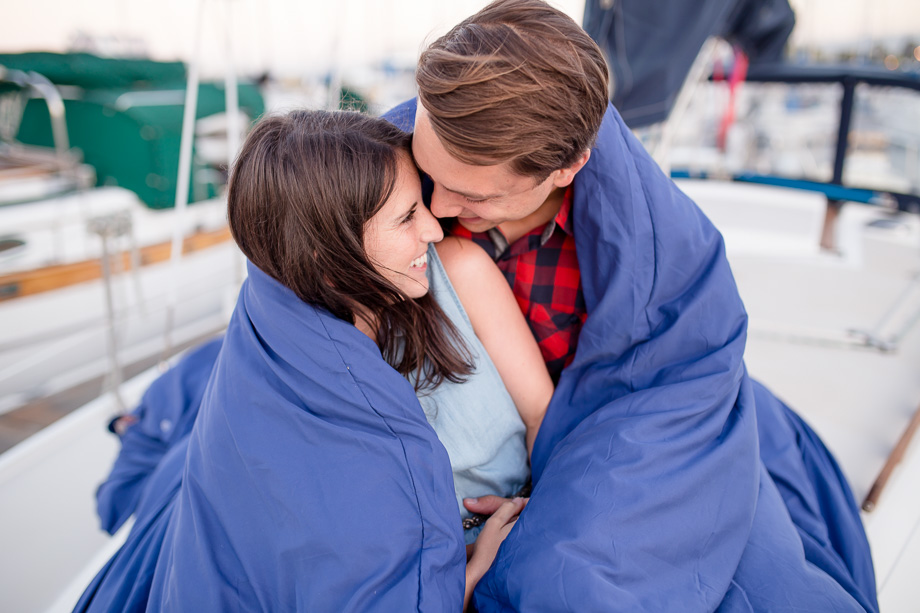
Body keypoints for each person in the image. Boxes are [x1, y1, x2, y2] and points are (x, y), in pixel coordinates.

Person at [383, 0, 879, 611]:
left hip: (621, 432)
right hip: (472, 452)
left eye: (473, 196)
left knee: (753, 588)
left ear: (567, 168)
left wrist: (554, 502)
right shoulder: (386, 177)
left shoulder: (670, 248)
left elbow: (683, 373)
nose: (438, 213)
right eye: (432, 179)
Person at [76, 109, 554, 612]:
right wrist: (470, 572)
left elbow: (543, 415)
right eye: (408, 216)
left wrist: (534, 509)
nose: (435, 229)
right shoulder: (288, 373)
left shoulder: (459, 274)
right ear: (333, 252)